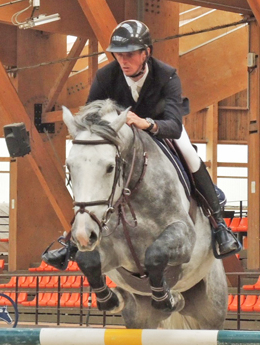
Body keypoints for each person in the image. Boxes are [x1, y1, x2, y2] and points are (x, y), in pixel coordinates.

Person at [42, 19, 241, 269]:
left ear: (146, 52)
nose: (123, 61)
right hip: (121, 137)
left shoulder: (167, 75)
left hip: (160, 129)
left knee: (189, 153)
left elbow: (174, 125)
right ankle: (72, 240)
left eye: (130, 54)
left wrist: (147, 124)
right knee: (93, 169)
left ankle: (219, 224)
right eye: (118, 54)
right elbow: (91, 116)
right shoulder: (106, 76)